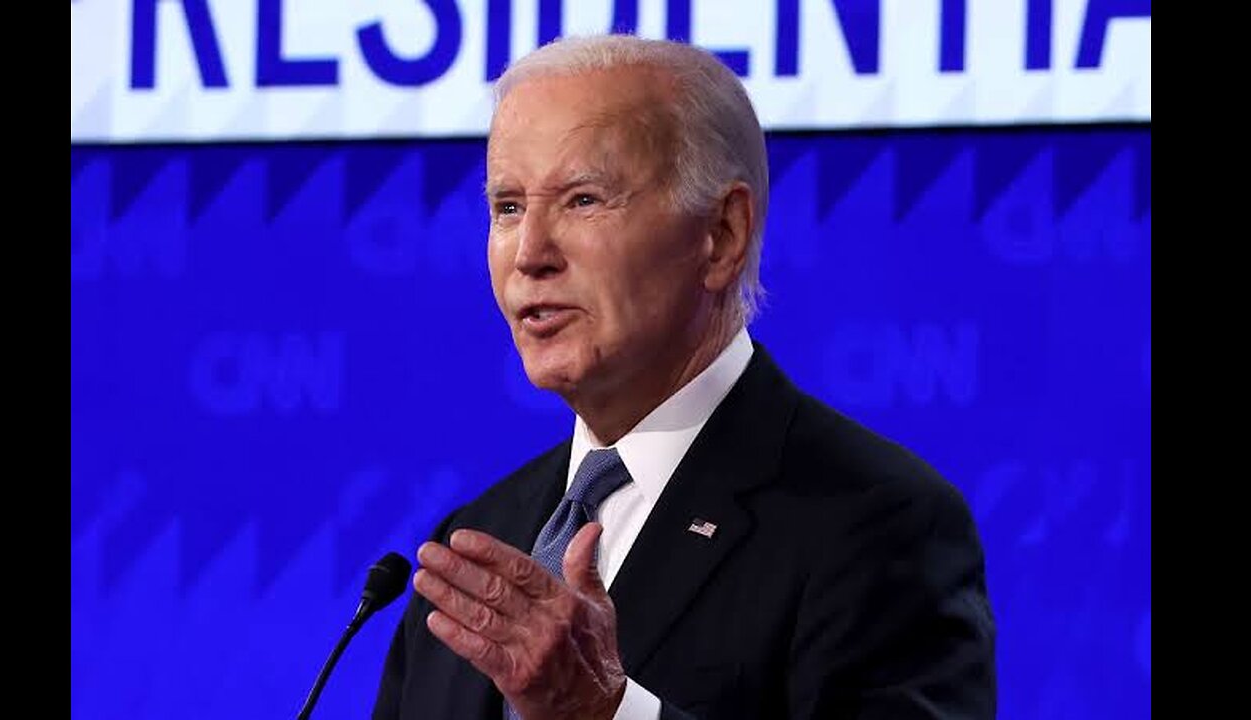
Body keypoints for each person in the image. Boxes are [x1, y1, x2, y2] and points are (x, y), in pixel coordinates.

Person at [372, 34, 995, 720]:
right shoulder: (480, 543)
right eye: (508, 207)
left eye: (583, 199)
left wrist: (606, 712)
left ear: (721, 235)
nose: (530, 254)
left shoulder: (879, 523)